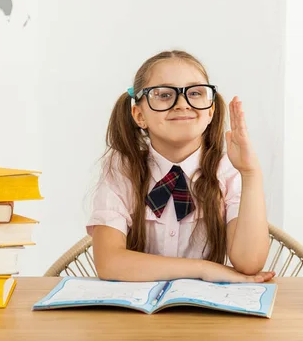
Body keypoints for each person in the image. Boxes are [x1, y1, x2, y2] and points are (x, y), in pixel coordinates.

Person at [86, 50, 273, 283]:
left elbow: (249, 263)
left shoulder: (227, 170)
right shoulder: (122, 168)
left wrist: (250, 173)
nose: (182, 104)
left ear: (211, 111)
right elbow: (109, 263)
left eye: (195, 93)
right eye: (164, 95)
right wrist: (202, 269)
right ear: (139, 115)